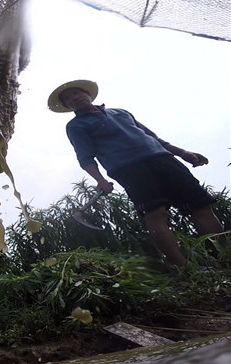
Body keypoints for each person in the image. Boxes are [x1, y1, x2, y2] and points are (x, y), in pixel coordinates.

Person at [48, 79, 226, 267]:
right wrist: (100, 180)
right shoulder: (75, 126)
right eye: (68, 99)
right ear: (67, 106)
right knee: (155, 212)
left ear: (88, 94)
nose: (74, 98)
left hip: (163, 159)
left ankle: (223, 258)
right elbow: (85, 157)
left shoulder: (120, 112)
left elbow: (153, 137)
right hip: (129, 169)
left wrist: (183, 153)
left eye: (76, 93)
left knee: (200, 206)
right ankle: (182, 266)